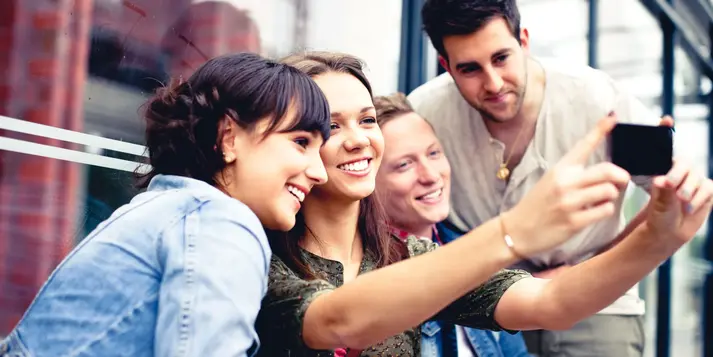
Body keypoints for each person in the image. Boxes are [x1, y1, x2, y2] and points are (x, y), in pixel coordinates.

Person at [254, 51, 712, 357]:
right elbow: (338, 319)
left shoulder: (409, 256)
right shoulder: (260, 257)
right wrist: (516, 231)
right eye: (332, 126)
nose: (359, 139)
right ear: (299, 141)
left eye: (367, 119)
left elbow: (553, 302)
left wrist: (659, 234)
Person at [408, 0, 701, 355]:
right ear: (446, 66)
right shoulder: (424, 111)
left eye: (502, 58)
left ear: (525, 42)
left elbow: (671, 192)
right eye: (470, 69)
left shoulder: (596, 96)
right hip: (486, 306)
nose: (493, 82)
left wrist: (588, 270)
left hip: (600, 301)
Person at [0, 53, 330, 357]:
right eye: (301, 142)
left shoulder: (169, 211)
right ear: (229, 137)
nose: (319, 173)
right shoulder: (221, 223)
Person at [374, 92, 531, 357]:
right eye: (404, 165)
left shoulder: (474, 250)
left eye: (434, 153)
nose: (431, 175)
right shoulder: (368, 276)